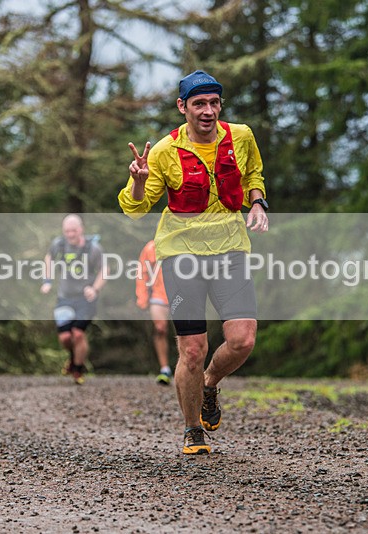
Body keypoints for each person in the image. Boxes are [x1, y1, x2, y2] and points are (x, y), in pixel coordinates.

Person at [119, 70, 269, 454]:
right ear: (182, 107)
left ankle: (209, 383)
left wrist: (257, 202)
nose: (208, 111)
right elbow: (135, 208)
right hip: (181, 253)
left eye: (214, 103)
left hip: (230, 248)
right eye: (199, 104)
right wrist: (139, 180)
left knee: (243, 340)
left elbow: (253, 173)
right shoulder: (164, 151)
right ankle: (192, 429)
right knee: (191, 350)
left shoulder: (241, 136)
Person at [41, 214, 106, 385]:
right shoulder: (59, 244)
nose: (70, 235)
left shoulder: (93, 248)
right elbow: (48, 258)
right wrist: (47, 281)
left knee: (77, 334)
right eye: (67, 231)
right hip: (64, 297)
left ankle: (77, 369)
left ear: (81, 229)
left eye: (74, 231)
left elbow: (104, 271)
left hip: (85, 299)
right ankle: (73, 358)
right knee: (64, 338)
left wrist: (95, 289)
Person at [135, 240, 174, 386]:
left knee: (187, 332)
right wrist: (142, 297)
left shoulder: (185, 241)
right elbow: (142, 272)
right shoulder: (151, 247)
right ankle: (165, 368)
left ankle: (187, 368)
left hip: (181, 294)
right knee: (160, 328)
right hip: (159, 295)